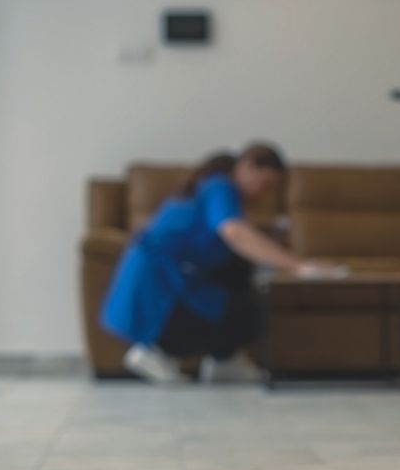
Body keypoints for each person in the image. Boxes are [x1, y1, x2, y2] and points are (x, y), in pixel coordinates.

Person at [100, 143, 337, 386]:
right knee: (252, 305)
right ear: (247, 165)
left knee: (239, 271)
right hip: (159, 290)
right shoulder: (220, 186)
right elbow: (233, 232)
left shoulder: (208, 189)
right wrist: (296, 265)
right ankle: (155, 352)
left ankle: (223, 359)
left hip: (171, 281)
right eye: (265, 185)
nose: (263, 195)